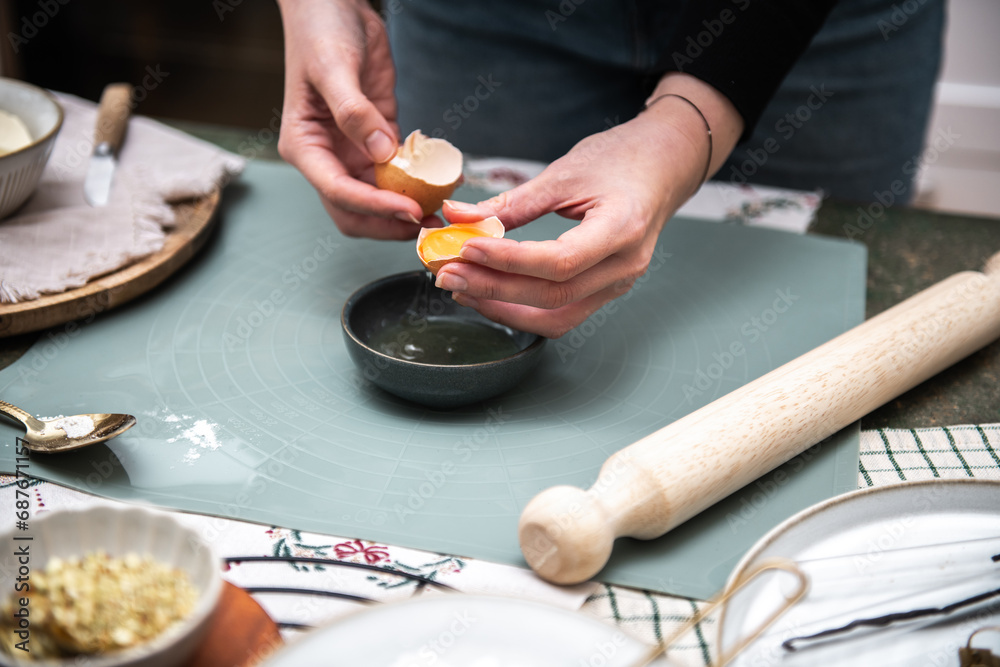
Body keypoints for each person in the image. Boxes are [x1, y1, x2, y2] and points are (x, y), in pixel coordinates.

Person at [275, 0, 944, 339]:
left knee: (813, 310)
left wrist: (689, 124)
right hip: (486, 16)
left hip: (809, 24)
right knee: (515, 280)